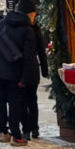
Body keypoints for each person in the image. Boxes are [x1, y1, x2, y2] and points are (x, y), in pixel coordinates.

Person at [0, 0, 39, 146]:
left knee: (0, 101)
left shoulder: (1, 24)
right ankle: (17, 136)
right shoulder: (27, 30)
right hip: (15, 72)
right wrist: (25, 78)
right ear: (29, 14)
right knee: (15, 103)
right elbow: (28, 57)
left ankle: (3, 133)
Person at [22, 8, 48, 138]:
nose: (33, 17)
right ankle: (29, 128)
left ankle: (33, 127)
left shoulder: (35, 29)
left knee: (30, 99)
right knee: (27, 100)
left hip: (31, 68)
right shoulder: (28, 29)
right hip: (24, 68)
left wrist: (44, 68)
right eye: (31, 14)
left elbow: (42, 51)